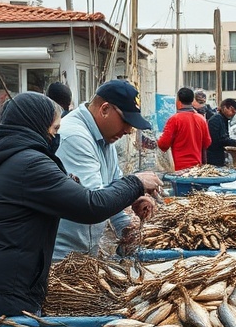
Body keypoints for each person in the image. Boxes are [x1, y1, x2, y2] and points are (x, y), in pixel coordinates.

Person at [0, 92, 162, 318]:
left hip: (2, 280)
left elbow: (67, 194)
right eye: (55, 129)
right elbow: (91, 206)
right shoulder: (29, 163)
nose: (56, 136)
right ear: (36, 125)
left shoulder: (12, 158)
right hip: (6, 288)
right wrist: (135, 182)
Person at [52, 80, 157, 261]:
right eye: (125, 121)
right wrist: (135, 183)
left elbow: (110, 190)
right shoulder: (75, 136)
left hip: (82, 255)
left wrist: (126, 226)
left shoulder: (105, 139)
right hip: (60, 257)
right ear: (105, 109)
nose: (128, 130)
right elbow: (96, 203)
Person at [157, 87, 211, 171]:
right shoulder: (201, 119)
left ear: (178, 100)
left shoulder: (174, 120)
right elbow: (207, 143)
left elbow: (163, 144)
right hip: (197, 168)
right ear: (192, 100)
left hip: (179, 169)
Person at [206, 98, 236, 166]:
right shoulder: (216, 119)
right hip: (213, 156)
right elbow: (221, 139)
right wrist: (235, 143)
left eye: (235, 112)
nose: (233, 114)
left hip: (219, 155)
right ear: (224, 108)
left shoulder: (223, 119)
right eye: (231, 110)